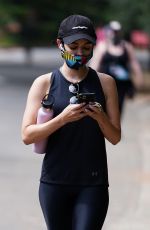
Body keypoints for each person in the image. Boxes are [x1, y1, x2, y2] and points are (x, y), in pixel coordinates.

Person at [21, 14, 121, 230]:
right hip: (54, 182)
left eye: (87, 47)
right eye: (73, 46)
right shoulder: (44, 83)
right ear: (60, 44)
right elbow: (27, 136)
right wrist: (62, 119)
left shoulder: (106, 83)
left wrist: (100, 116)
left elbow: (115, 137)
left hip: (93, 183)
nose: (80, 53)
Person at [89, 20, 143, 115]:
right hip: (104, 85)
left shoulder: (126, 46)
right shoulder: (102, 46)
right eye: (113, 31)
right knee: (104, 109)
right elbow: (95, 64)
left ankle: (115, 128)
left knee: (118, 110)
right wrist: (90, 81)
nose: (115, 33)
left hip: (121, 86)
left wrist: (139, 78)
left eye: (117, 31)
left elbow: (134, 63)